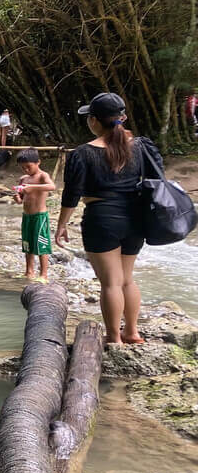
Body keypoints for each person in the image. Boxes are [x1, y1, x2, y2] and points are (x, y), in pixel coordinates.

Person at [55, 92, 162, 345]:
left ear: (93, 120)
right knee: (127, 279)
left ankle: (114, 338)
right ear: (121, 118)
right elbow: (157, 179)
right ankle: (132, 332)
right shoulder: (141, 146)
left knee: (111, 283)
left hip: (101, 219)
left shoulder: (83, 153)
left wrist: (62, 225)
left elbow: (72, 193)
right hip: (136, 218)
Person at [14, 149, 56, 280]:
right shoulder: (23, 179)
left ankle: (44, 275)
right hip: (27, 216)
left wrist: (33, 187)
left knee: (41, 245)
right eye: (22, 168)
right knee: (27, 245)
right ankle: (29, 271)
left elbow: (52, 186)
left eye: (28, 167)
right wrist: (17, 198)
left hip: (39, 216)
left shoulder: (42, 176)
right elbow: (21, 198)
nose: (26, 170)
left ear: (38, 162)